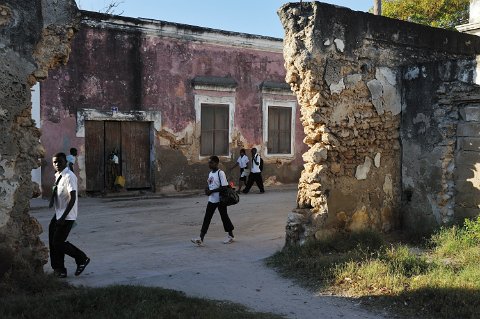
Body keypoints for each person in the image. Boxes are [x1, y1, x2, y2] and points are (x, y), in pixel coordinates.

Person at [49, 152, 90, 278]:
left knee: (58, 242)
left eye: (59, 161)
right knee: (53, 240)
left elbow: (73, 198)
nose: (57, 164)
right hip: (59, 214)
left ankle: (82, 258)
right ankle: (59, 269)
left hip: (67, 215)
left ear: (65, 162)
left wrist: (63, 217)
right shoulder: (59, 175)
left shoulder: (69, 176)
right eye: (54, 162)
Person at [191, 155, 235, 246]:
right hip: (211, 200)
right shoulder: (210, 173)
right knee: (207, 218)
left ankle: (230, 236)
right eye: (209, 162)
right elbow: (210, 184)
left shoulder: (220, 173)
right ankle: (201, 238)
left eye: (211, 162)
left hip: (220, 200)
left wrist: (212, 191)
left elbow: (224, 187)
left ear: (216, 163)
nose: (209, 164)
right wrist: (207, 190)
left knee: (224, 217)